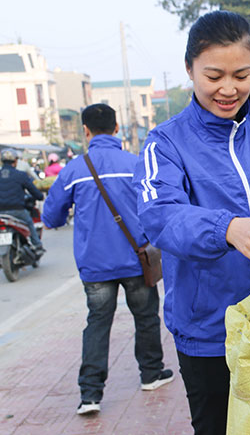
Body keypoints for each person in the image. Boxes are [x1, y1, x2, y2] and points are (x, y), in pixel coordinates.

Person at [132, 10, 250, 434]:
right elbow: (159, 215)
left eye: (242, 75)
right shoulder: (166, 143)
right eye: (214, 76)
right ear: (189, 70)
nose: (229, 89)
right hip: (208, 333)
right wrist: (227, 228)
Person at [42, 104, 173, 416]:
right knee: (145, 316)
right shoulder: (136, 164)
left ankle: (90, 394)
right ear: (117, 129)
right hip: (136, 259)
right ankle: (151, 374)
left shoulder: (73, 170)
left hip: (95, 266)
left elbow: (50, 217)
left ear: (86, 132)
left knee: (97, 323)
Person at [0, 148, 45, 253]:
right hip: (17, 210)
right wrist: (40, 196)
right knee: (29, 223)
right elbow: (34, 191)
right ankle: (37, 245)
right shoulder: (20, 175)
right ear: (15, 161)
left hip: (1, 212)